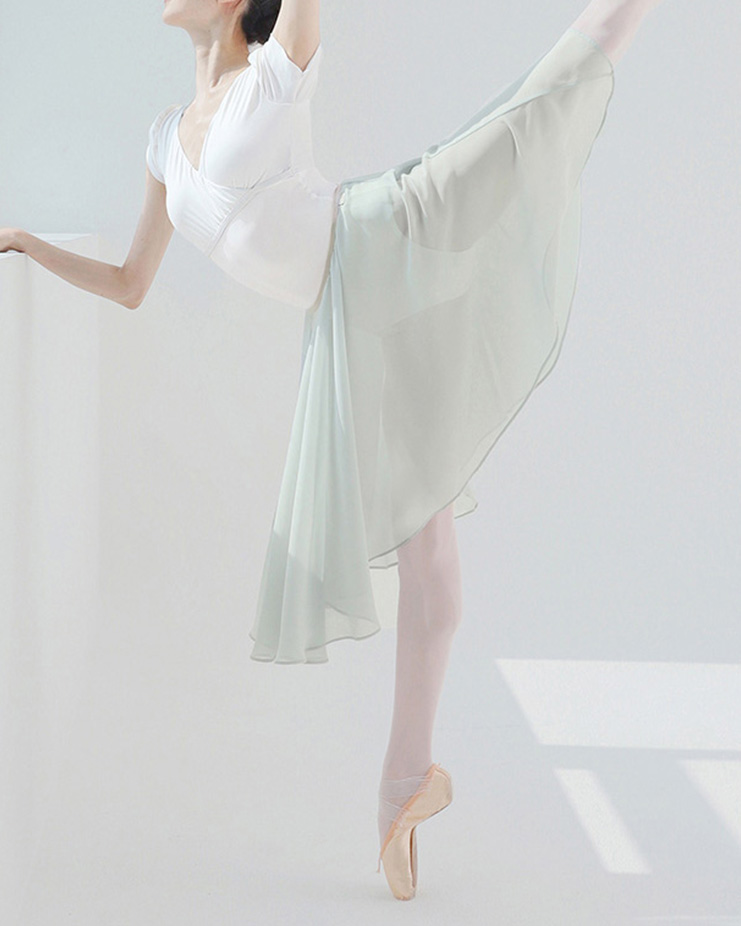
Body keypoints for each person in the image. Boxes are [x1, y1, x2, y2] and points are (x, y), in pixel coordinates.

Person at [0, 0, 668, 901]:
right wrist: (25, 243)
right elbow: (128, 284)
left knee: (533, 108)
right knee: (424, 543)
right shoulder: (163, 139)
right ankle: (406, 783)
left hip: (388, 228)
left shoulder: (279, 70)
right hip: (352, 316)